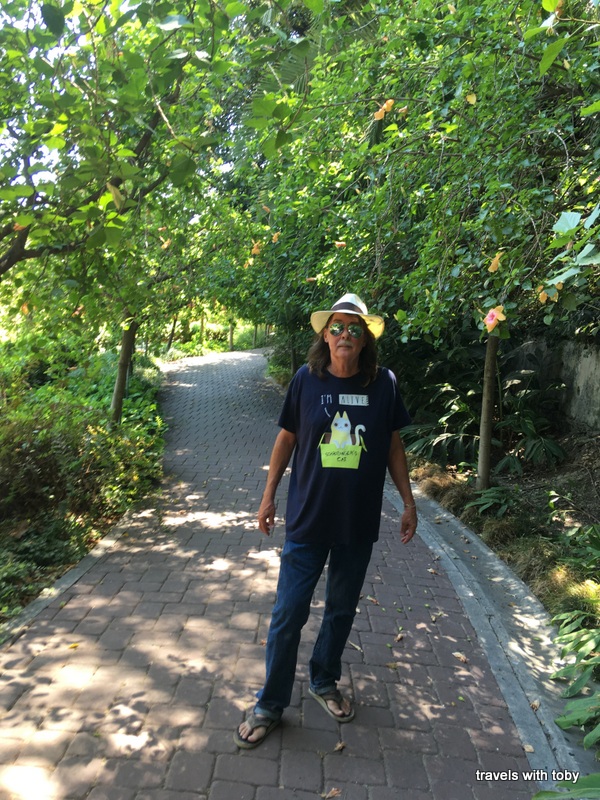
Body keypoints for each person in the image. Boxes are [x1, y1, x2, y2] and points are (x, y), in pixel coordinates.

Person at [234, 292, 418, 748]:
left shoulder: (384, 384)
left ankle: (323, 680)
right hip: (308, 519)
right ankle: (270, 704)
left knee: (340, 609)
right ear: (325, 335)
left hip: (356, 521)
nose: (344, 335)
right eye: (337, 327)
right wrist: (268, 496)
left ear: (365, 339)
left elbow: (394, 447)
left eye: (354, 328)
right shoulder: (306, 379)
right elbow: (286, 438)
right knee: (288, 613)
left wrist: (409, 502)